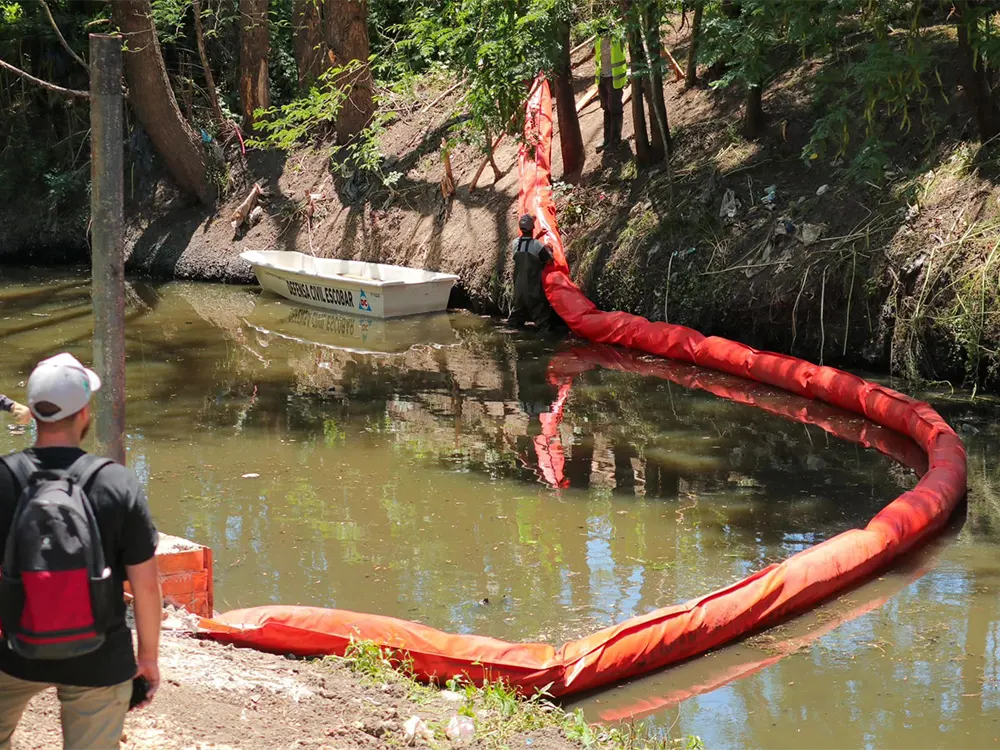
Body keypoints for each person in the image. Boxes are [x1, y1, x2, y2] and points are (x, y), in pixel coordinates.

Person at [0, 353, 161, 750]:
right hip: (100, 657)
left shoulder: (2, 476)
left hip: (11, 650)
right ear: (85, 413)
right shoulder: (117, 483)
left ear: (32, 413)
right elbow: (145, 587)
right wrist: (148, 659)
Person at [509, 214, 565, 333]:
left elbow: (526, 247)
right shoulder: (537, 245)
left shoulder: (515, 243)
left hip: (519, 287)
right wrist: (548, 248)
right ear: (532, 228)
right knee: (541, 316)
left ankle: (514, 330)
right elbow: (549, 260)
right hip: (533, 287)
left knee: (516, 317)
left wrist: (537, 237)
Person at [594, 26, 627, 152]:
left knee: (615, 108)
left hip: (615, 78)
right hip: (602, 78)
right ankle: (606, 139)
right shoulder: (598, 39)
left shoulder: (617, 37)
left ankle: (615, 140)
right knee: (606, 108)